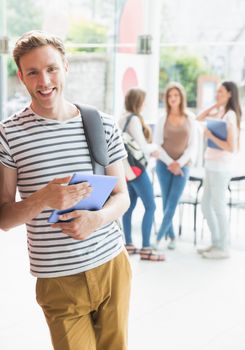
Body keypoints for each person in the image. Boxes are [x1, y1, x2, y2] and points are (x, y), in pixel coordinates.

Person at [0, 30, 132, 350]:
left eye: (51, 68)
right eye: (33, 72)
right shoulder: (8, 135)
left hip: (111, 264)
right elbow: (3, 217)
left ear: (65, 67)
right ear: (21, 77)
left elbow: (122, 197)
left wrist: (95, 220)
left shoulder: (101, 123)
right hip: (58, 279)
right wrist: (44, 197)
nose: (44, 81)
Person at [118, 87, 165, 261]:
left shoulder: (121, 119)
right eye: (143, 101)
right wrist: (156, 148)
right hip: (137, 170)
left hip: (126, 171)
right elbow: (143, 147)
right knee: (151, 206)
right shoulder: (134, 119)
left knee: (129, 208)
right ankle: (146, 247)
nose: (145, 104)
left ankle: (128, 243)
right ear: (138, 102)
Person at [196, 81, 241, 259]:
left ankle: (223, 247)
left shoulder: (230, 116)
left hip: (221, 168)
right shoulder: (221, 112)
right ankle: (216, 243)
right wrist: (216, 104)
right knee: (206, 206)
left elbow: (231, 147)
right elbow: (198, 119)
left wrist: (210, 135)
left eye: (220, 92)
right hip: (211, 165)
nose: (217, 94)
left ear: (230, 93)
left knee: (218, 207)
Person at [153, 82, 197, 250]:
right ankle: (171, 237)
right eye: (170, 96)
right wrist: (170, 162)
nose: (173, 99)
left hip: (183, 166)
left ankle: (157, 239)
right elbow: (157, 144)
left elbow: (192, 145)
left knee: (172, 202)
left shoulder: (190, 118)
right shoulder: (162, 118)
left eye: (176, 96)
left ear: (181, 98)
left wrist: (180, 163)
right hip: (164, 165)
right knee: (166, 202)